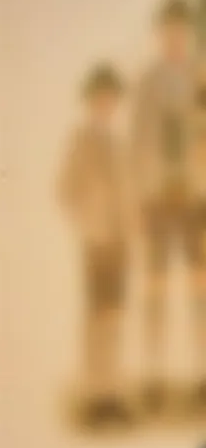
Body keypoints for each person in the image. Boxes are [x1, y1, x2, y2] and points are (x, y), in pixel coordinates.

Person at [131, 0, 205, 410]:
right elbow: (138, 144)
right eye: (169, 31)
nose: (175, 38)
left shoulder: (202, 79)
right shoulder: (148, 83)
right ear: (161, 35)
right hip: (159, 199)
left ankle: (200, 376)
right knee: (155, 289)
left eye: (182, 31)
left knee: (200, 288)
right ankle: (156, 377)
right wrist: (140, 202)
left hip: (196, 198)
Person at [59, 63, 132, 426]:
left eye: (111, 99)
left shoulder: (119, 144)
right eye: (99, 98)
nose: (105, 104)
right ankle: (95, 394)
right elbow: (67, 190)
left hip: (120, 242)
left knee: (115, 316)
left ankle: (112, 392)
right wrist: (89, 223)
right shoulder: (81, 142)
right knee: (95, 318)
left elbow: (130, 190)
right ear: (91, 101)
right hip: (96, 242)